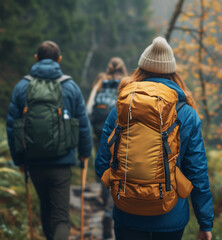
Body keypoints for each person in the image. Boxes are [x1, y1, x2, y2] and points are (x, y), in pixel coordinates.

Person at [95, 37, 213, 240]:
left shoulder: (122, 108)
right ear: (172, 72)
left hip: (126, 211)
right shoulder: (186, 113)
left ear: (141, 69)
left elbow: (101, 165)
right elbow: (198, 173)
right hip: (170, 216)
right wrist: (205, 223)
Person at [6, 40, 92, 240]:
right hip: (61, 164)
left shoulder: (22, 87)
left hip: (34, 162)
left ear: (36, 58)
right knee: (61, 217)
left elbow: (12, 126)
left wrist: (18, 160)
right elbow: (83, 124)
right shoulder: (70, 87)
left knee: (46, 208)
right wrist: (84, 153)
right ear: (59, 60)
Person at [86, 57, 128, 239]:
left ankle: (104, 202)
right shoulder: (127, 83)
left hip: (99, 131)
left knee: (103, 165)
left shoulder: (100, 81)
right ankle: (113, 206)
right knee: (117, 166)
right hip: (119, 133)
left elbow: (88, 109)